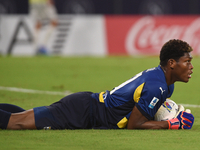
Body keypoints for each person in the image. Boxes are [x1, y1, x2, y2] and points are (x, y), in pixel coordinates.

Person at [0, 39, 194, 130]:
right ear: (171, 64)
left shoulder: (166, 85)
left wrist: (168, 113)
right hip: (83, 110)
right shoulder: (157, 86)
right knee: (15, 123)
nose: (191, 67)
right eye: (187, 62)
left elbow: (143, 111)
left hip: (89, 111)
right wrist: (170, 124)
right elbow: (135, 124)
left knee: (25, 117)